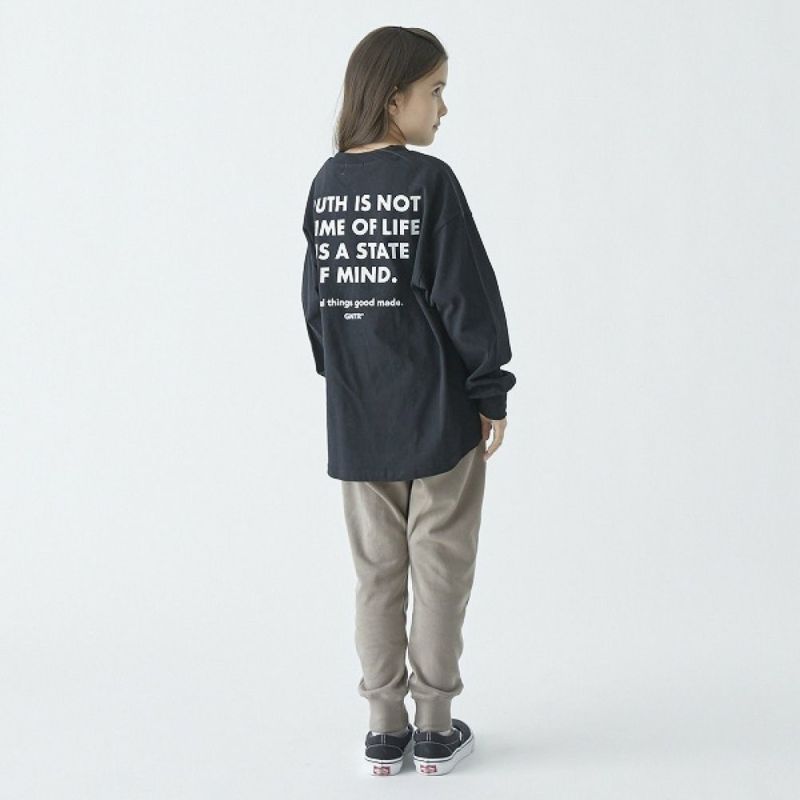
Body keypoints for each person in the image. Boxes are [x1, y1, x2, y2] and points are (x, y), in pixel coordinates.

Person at [300, 26, 517, 776]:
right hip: (439, 417)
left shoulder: (326, 186)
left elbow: (317, 308)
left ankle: (383, 729)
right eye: (436, 91)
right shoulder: (430, 184)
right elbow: (466, 299)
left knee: (377, 573)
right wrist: (490, 389)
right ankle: (434, 728)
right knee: (440, 569)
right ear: (395, 99)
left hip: (360, 421)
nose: (443, 108)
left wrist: (349, 377)